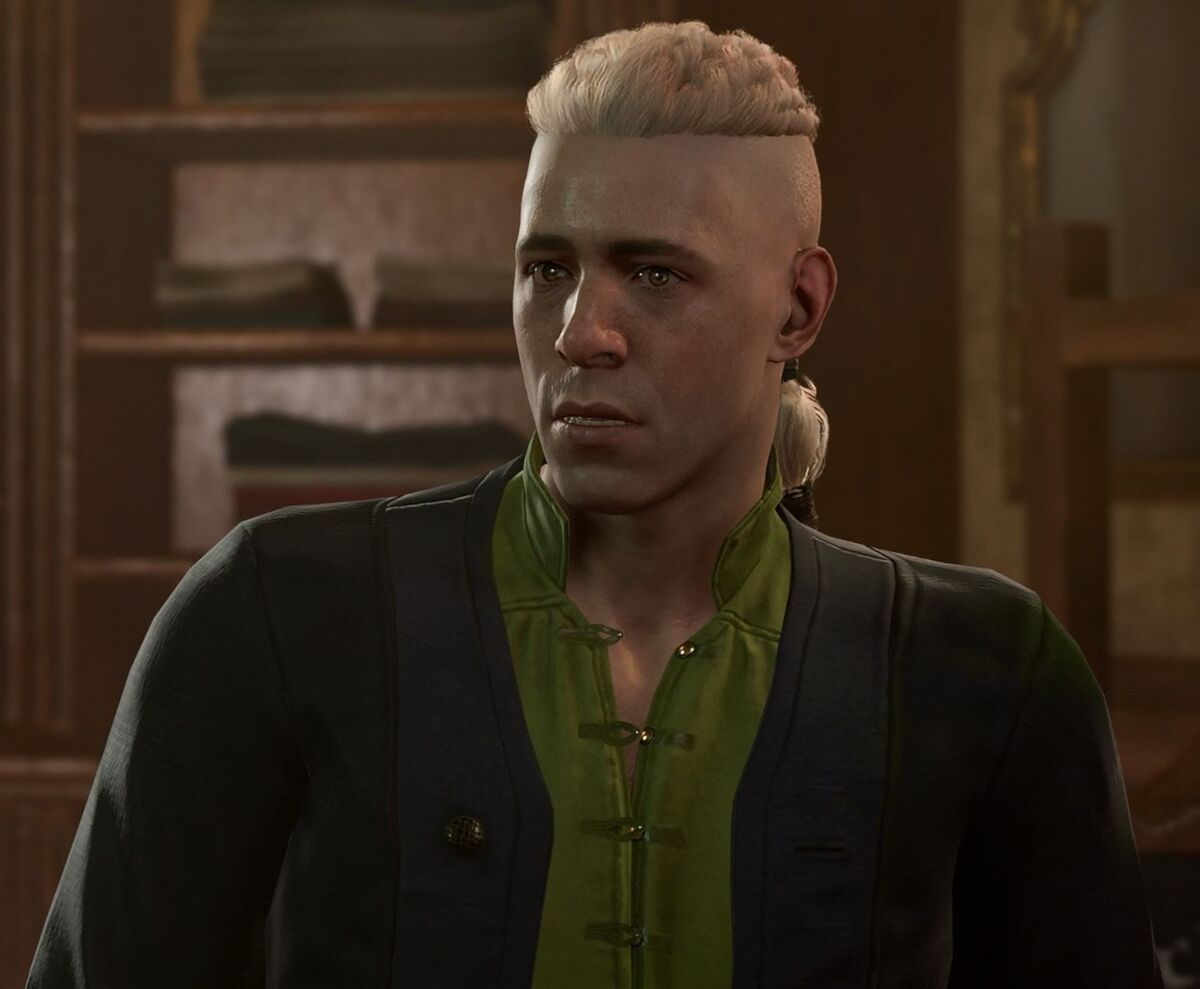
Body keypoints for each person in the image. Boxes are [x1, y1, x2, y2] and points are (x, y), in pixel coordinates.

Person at [28, 19, 1161, 988]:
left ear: (799, 306)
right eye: (547, 269)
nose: (581, 333)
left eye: (655, 273)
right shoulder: (273, 614)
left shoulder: (984, 671)